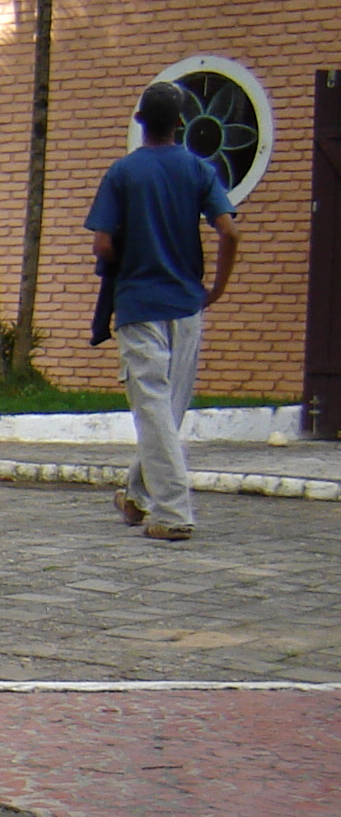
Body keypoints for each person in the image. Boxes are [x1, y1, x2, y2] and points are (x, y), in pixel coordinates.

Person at [87, 79, 242, 544]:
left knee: (153, 407)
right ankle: (136, 497)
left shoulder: (122, 173)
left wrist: (131, 256)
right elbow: (230, 232)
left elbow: (102, 244)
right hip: (187, 305)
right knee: (167, 409)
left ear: (140, 122)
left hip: (139, 305)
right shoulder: (199, 170)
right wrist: (217, 287)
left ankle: (173, 512)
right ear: (180, 124)